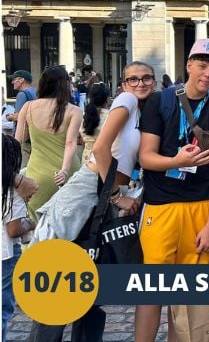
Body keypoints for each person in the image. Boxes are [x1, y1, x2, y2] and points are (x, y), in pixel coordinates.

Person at [26, 61, 155, 342]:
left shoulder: (143, 110)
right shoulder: (128, 100)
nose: (141, 84)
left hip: (100, 192)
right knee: (57, 275)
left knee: (88, 267)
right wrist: (117, 195)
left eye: (147, 78)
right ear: (123, 85)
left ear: (155, 82)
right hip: (89, 189)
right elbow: (100, 147)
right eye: (133, 79)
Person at [136, 38, 209, 341]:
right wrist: (177, 160)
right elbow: (146, 157)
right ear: (189, 65)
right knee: (152, 291)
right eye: (202, 65)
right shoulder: (160, 101)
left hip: (199, 208)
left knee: (188, 297)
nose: (208, 73)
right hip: (160, 207)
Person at [15, 66, 82, 221]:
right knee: (70, 227)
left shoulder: (28, 107)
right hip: (69, 176)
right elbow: (70, 143)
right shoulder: (74, 111)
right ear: (65, 84)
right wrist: (64, 171)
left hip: (37, 176)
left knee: (37, 226)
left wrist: (13, 174)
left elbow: (17, 141)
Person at [2, 135, 37, 341]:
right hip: (5, 254)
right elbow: (13, 229)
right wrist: (30, 223)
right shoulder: (11, 191)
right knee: (3, 305)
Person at [7, 70, 37, 165]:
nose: (12, 82)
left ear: (21, 80)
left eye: (14, 79)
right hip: (34, 134)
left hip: (23, 136)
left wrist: (10, 117)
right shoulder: (35, 92)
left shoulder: (22, 94)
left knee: (23, 166)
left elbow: (18, 116)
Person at [79, 83, 110, 164]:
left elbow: (81, 137)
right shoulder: (110, 116)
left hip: (86, 157)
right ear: (107, 99)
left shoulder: (84, 116)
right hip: (103, 157)